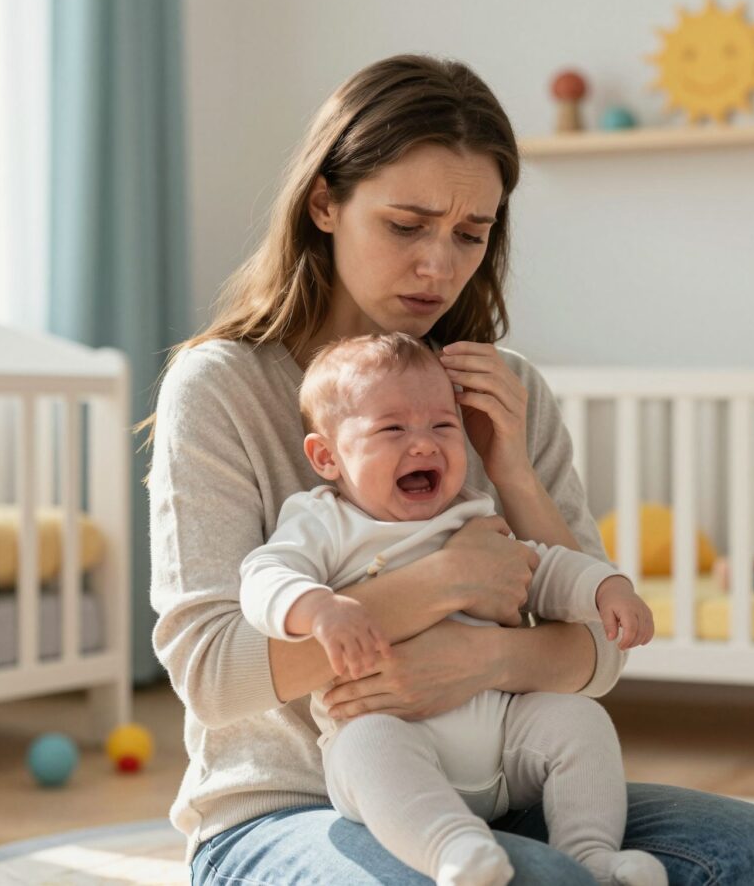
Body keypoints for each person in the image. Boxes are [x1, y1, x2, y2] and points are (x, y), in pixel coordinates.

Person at [147, 54, 754, 884]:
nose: (439, 267)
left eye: (470, 234)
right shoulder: (224, 387)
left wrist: (510, 483)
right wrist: (446, 583)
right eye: (406, 225)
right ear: (324, 204)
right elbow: (216, 678)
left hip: (498, 777)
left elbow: (598, 655)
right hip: (287, 810)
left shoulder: (506, 388)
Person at [239, 332, 663, 886]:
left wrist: (607, 588)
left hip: (505, 741)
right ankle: (452, 850)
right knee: (365, 746)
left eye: (442, 426)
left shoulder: (470, 513)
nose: (423, 445)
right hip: (395, 735)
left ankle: (591, 852)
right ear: (326, 456)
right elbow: (264, 576)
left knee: (580, 721)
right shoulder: (323, 523)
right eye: (392, 429)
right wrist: (319, 609)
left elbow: (542, 568)